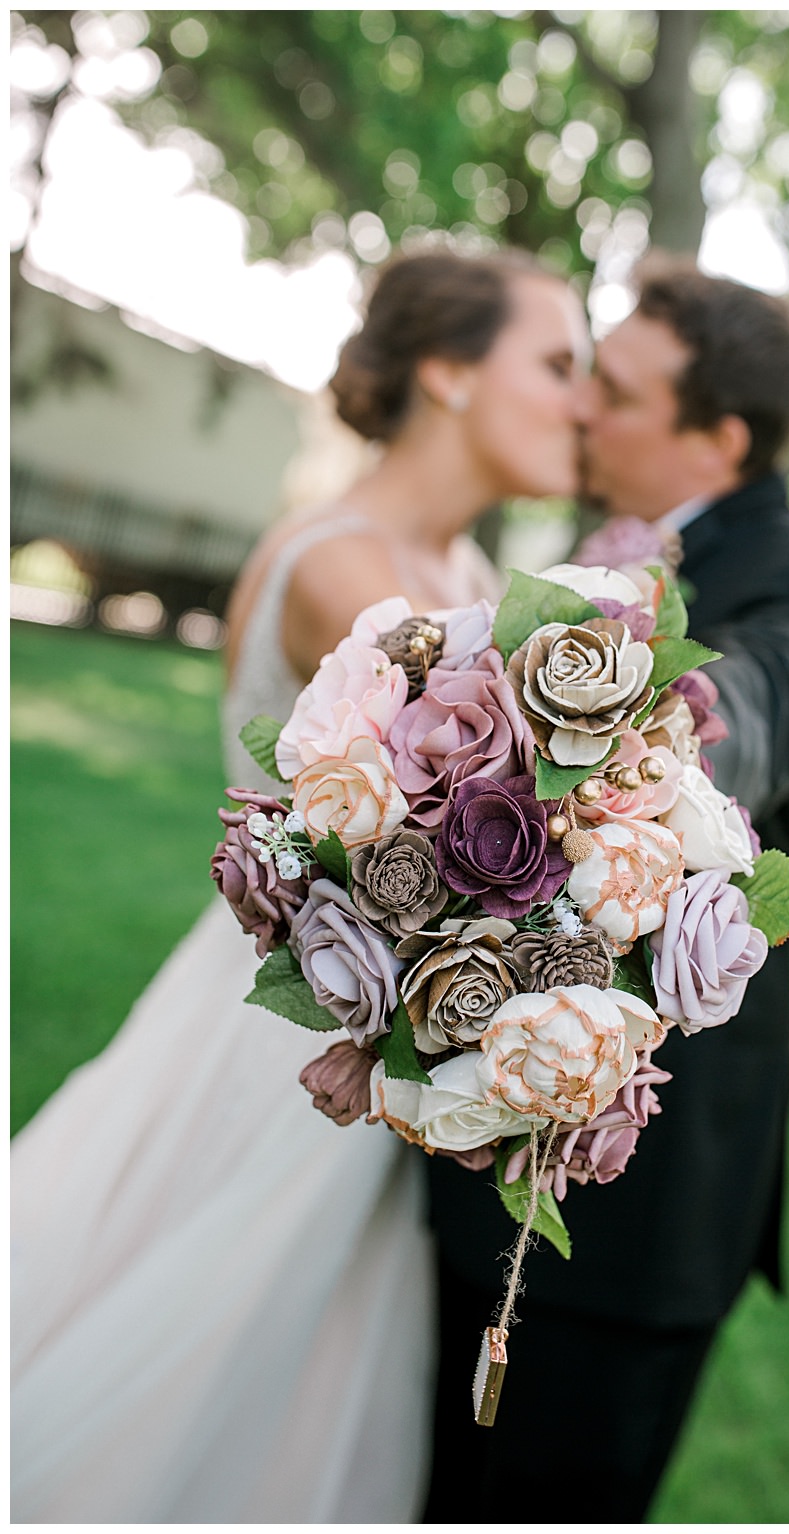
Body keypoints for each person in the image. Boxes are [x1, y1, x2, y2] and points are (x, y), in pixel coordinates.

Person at [11, 247, 591, 1520]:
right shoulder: (348, 576)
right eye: (556, 365)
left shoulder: (467, 579)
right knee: (183, 1360)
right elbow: (465, 863)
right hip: (284, 1045)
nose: (583, 402)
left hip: (377, 1042)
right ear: (446, 372)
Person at [420, 254, 789, 1521]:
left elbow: (766, 698)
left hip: (641, 1210)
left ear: (718, 439)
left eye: (617, 393)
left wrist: (624, 700)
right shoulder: (589, 549)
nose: (580, 410)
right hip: (473, 1135)